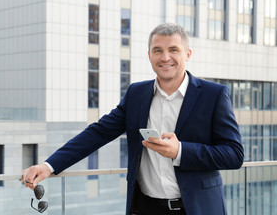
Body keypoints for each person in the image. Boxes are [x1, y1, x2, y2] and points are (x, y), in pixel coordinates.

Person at [22, 23, 244, 215]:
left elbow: (234, 154)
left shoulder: (213, 95)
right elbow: (98, 133)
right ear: (149, 55)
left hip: (197, 208)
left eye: (173, 50)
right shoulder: (137, 94)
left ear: (187, 54)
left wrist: (180, 151)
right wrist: (49, 165)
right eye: (157, 50)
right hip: (146, 207)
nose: (165, 57)